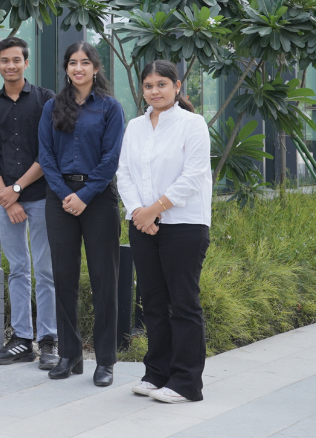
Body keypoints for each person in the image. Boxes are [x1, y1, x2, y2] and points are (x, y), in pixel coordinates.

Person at [118, 60, 212, 404]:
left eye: (161, 84)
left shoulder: (193, 124)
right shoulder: (135, 126)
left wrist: (153, 210)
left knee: (183, 304)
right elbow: (124, 173)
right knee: (153, 303)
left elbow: (194, 175)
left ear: (176, 86)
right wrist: (139, 215)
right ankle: (156, 373)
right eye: (148, 85)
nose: (154, 91)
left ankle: (187, 382)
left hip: (184, 225)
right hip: (143, 225)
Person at [37, 41, 125, 386]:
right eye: (72, 63)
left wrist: (85, 195)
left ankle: (105, 362)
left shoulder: (110, 108)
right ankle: (70, 355)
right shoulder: (51, 107)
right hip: (60, 199)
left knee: (105, 280)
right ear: (66, 68)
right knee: (64, 279)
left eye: (85, 63)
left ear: (96, 68)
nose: (78, 68)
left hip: (99, 199)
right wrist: (66, 194)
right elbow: (45, 156)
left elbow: (111, 158)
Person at [0, 36, 59, 369]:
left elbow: (49, 153)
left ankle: (49, 340)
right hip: (5, 199)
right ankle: (22, 339)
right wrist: (7, 198)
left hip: (40, 197)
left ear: (26, 63)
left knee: (46, 270)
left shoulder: (46, 100)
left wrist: (17, 189)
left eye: (16, 60)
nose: (10, 66)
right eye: (4, 61)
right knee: (18, 270)